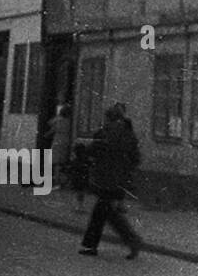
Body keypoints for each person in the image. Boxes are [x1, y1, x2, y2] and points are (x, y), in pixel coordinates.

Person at [79, 102, 144, 259]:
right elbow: (136, 158)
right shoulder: (129, 133)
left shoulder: (105, 132)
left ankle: (132, 240)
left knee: (103, 212)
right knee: (105, 212)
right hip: (120, 180)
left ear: (109, 118)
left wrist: (83, 149)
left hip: (105, 179)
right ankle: (94, 246)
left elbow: (94, 150)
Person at [45, 103, 72, 190]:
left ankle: (57, 182)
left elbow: (49, 124)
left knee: (56, 163)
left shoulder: (58, 120)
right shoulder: (70, 121)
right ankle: (63, 181)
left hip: (57, 140)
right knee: (63, 162)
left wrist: (57, 116)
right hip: (66, 140)